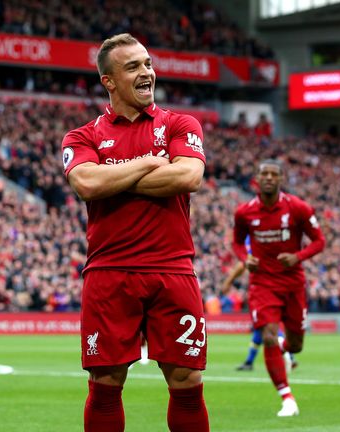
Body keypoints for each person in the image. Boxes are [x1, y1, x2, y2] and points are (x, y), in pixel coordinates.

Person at [61, 33, 208, 432]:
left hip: (173, 270)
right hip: (109, 272)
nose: (146, 72)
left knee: (188, 383)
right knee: (105, 385)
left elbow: (189, 176)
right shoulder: (82, 136)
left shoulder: (180, 123)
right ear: (109, 81)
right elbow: (87, 185)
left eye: (147, 64)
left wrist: (115, 176)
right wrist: (148, 162)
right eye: (133, 67)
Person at [232, 159, 326, 417]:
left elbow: (319, 241)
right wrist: (245, 259)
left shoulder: (298, 208)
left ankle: (285, 349)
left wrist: (298, 256)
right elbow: (237, 243)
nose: (269, 178)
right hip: (262, 283)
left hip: (293, 282)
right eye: (265, 174)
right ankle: (287, 398)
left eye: (274, 174)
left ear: (281, 179)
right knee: (269, 335)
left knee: (295, 345)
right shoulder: (244, 212)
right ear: (257, 179)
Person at [222, 239, 289, 373]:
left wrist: (228, 282)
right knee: (260, 326)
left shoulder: (253, 235)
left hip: (263, 289)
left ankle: (286, 351)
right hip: (276, 285)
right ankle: (249, 362)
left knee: (265, 325)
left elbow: (243, 264)